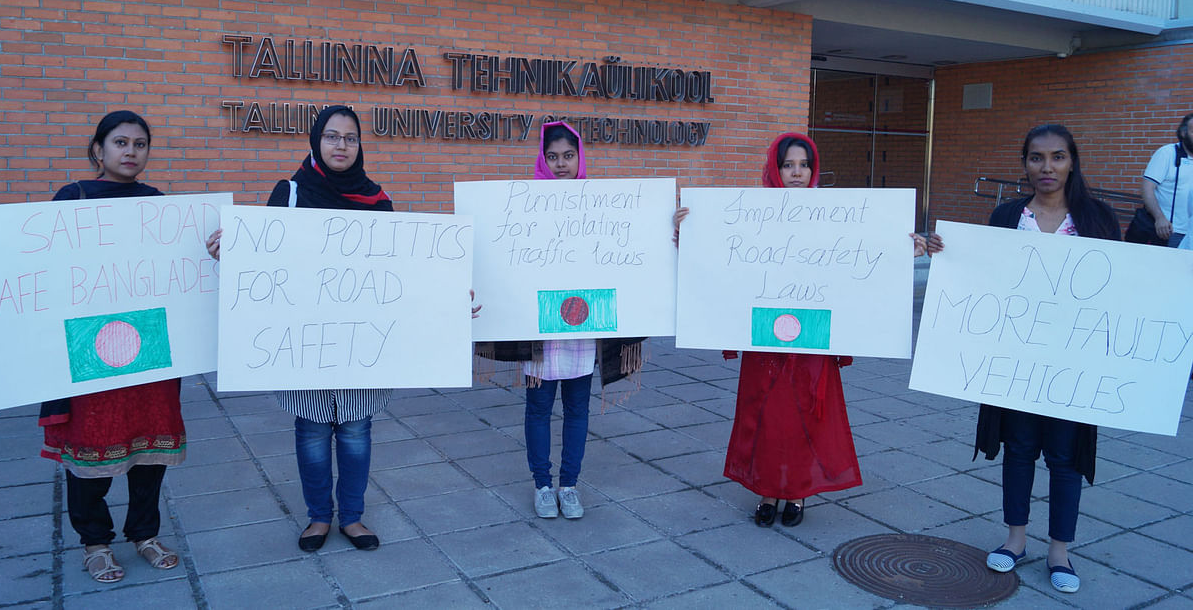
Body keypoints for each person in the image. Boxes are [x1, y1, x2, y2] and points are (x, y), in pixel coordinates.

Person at [675, 132, 925, 528]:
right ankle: (767, 490)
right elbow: (725, 260)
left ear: (814, 170)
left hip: (812, 339)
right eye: (788, 165)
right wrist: (688, 236)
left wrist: (900, 250)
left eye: (803, 165)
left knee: (806, 416)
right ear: (775, 168)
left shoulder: (833, 213)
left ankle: (799, 493)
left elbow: (858, 258)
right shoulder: (749, 212)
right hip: (766, 339)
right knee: (766, 416)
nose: (796, 172)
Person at [925, 124, 1120, 594]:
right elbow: (983, 273)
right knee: (1018, 448)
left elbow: (1123, 285)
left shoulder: (1097, 219)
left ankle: (1059, 550)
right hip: (1015, 359)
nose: (1046, 167)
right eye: (1036, 158)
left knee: (1065, 456)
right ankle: (1015, 540)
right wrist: (943, 252)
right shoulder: (1009, 215)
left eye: (1057, 157)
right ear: (1025, 164)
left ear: (1072, 161)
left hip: (1073, 360)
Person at [207, 105, 393, 553]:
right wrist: (231, 255)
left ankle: (352, 517)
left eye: (350, 138)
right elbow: (266, 261)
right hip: (303, 337)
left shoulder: (378, 198)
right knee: (311, 430)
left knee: (354, 430)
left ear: (360, 144)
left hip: (356, 338)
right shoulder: (290, 193)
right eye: (331, 136)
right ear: (316, 140)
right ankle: (317, 518)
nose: (341, 146)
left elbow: (395, 270)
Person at [39, 111, 184, 583]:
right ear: (98, 150)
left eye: (140, 144)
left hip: (148, 348)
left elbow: (174, 273)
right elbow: (48, 269)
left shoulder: (158, 206)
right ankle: (95, 542)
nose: (131, 152)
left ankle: (145, 533)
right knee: (91, 450)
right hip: (90, 349)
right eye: (120, 143)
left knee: (148, 450)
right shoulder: (72, 200)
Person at [475, 120, 645, 520]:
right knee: (537, 408)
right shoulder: (523, 206)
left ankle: (569, 485)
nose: (561, 164)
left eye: (568, 156)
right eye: (552, 157)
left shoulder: (602, 205)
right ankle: (542, 484)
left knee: (577, 409)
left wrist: (667, 228)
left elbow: (628, 249)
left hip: (583, 327)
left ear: (580, 157)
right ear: (542, 159)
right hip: (542, 333)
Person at [1140, 113, 1193, 246]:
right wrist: (1159, 218)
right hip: (1171, 232)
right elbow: (1147, 188)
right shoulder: (1167, 153)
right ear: (1183, 133)